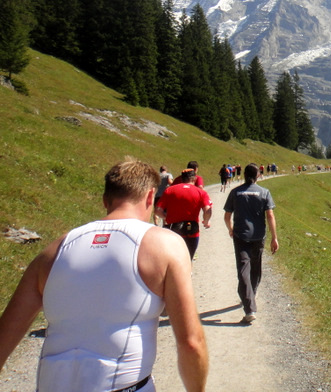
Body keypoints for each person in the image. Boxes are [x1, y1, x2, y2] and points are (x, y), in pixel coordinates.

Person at [0, 159, 208, 391]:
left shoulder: (53, 251)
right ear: (151, 197)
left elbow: (3, 338)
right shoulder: (165, 244)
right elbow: (191, 343)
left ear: (105, 201)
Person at [223, 163, 279, 324]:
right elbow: (270, 216)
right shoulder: (264, 192)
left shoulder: (235, 192)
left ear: (245, 175)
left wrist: (231, 229)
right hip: (259, 236)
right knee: (255, 268)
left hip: (240, 236)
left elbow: (227, 216)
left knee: (243, 269)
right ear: (258, 175)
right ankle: (250, 298)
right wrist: (274, 237)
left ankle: (249, 306)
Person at [156, 169, 212, 260]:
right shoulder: (201, 192)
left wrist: (166, 217)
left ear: (182, 179)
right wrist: (206, 221)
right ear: (194, 179)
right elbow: (208, 210)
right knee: (189, 258)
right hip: (192, 230)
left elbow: (158, 210)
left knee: (173, 259)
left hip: (173, 229)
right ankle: (188, 273)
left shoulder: (169, 190)